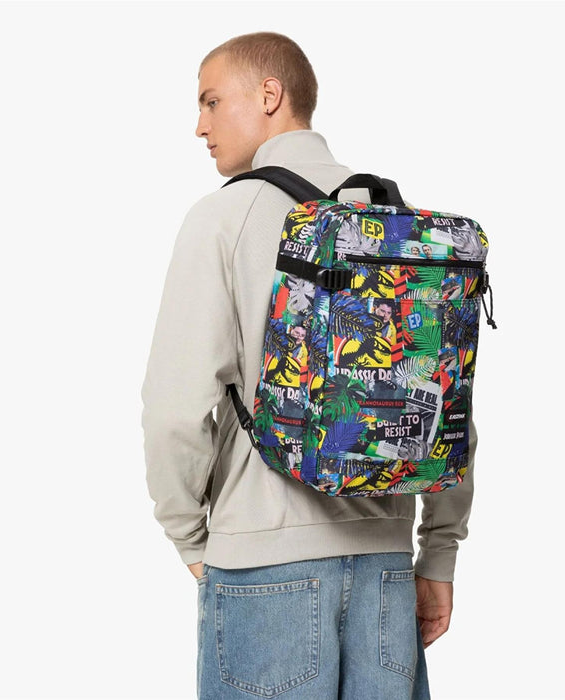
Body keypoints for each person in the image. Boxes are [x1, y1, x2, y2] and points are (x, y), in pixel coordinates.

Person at [140, 31, 477, 700]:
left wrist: (192, 539)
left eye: (211, 101)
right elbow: (447, 400)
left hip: (263, 568)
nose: (199, 126)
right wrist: (438, 552)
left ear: (270, 95)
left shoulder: (223, 218)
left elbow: (174, 409)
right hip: (387, 570)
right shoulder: (398, 226)